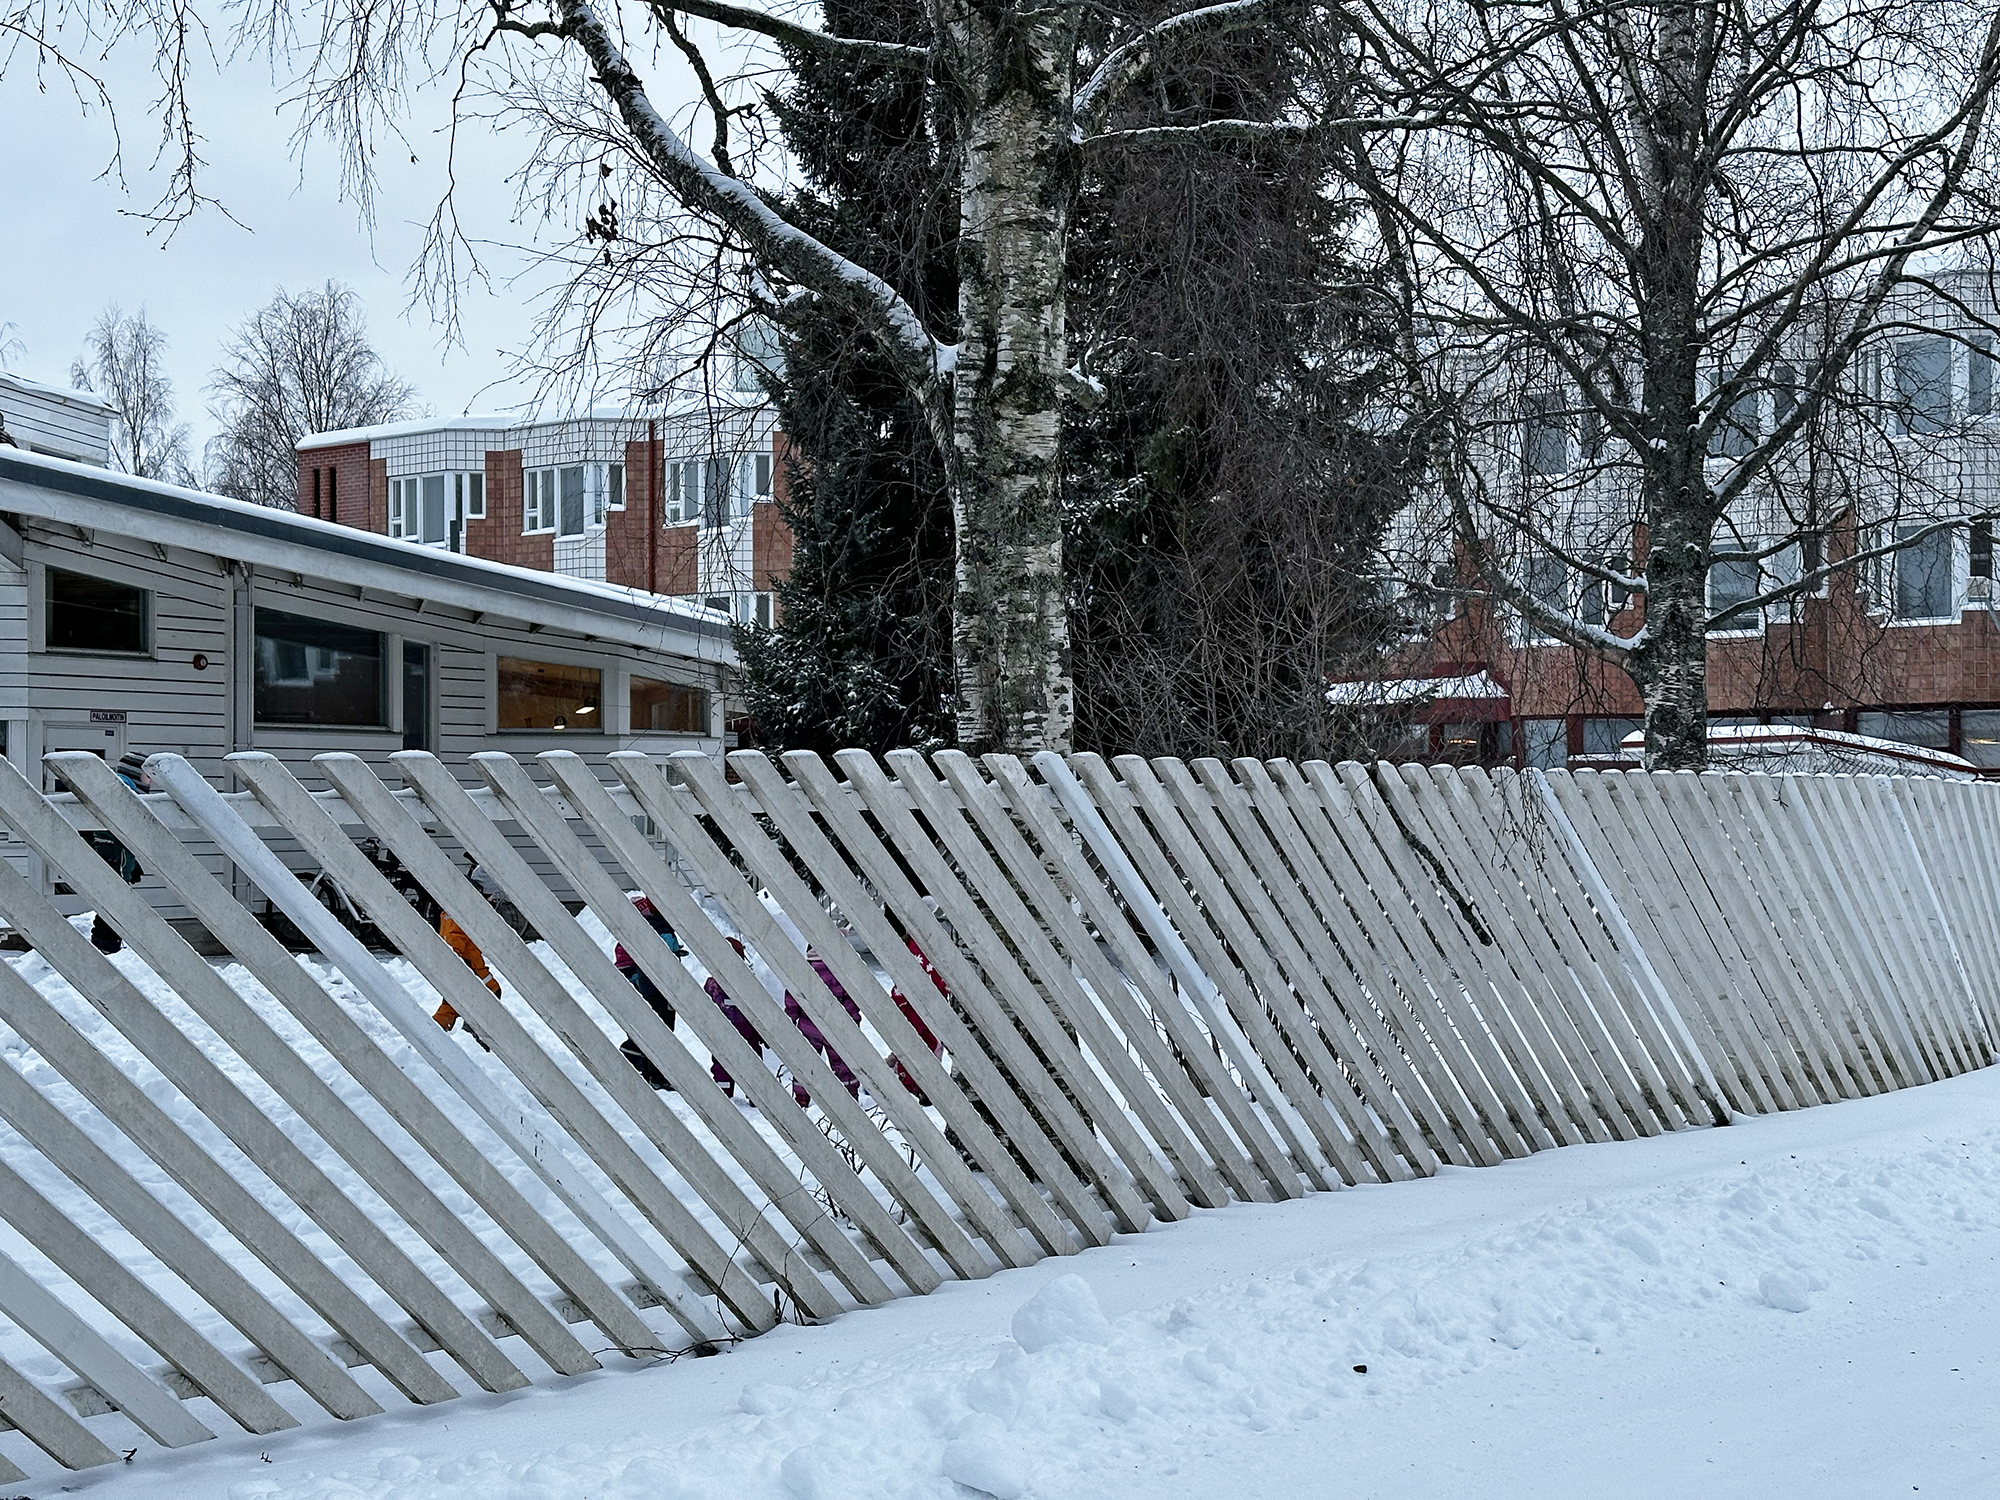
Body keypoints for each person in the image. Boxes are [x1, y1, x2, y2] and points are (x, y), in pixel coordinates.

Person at [613, 893, 686, 1090]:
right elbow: (663, 955)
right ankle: (651, 1069)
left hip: (650, 986)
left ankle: (648, 1069)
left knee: (653, 1026)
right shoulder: (660, 927)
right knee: (663, 1030)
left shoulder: (639, 928)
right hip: (659, 987)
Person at [84, 751, 151, 954]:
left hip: (113, 852)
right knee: (115, 899)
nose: (151, 783)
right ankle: (108, 945)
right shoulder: (124, 792)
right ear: (135, 773)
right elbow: (117, 834)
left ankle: (106, 943)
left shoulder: (118, 788)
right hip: (113, 853)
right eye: (148, 776)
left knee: (112, 898)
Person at [432, 860, 503, 1032]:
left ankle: (446, 1029)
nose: (493, 900)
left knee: (454, 1003)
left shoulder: (466, 909)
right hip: (465, 967)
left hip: (472, 967)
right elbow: (453, 941)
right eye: (491, 896)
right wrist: (461, 967)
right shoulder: (461, 914)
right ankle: (467, 1034)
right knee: (479, 997)